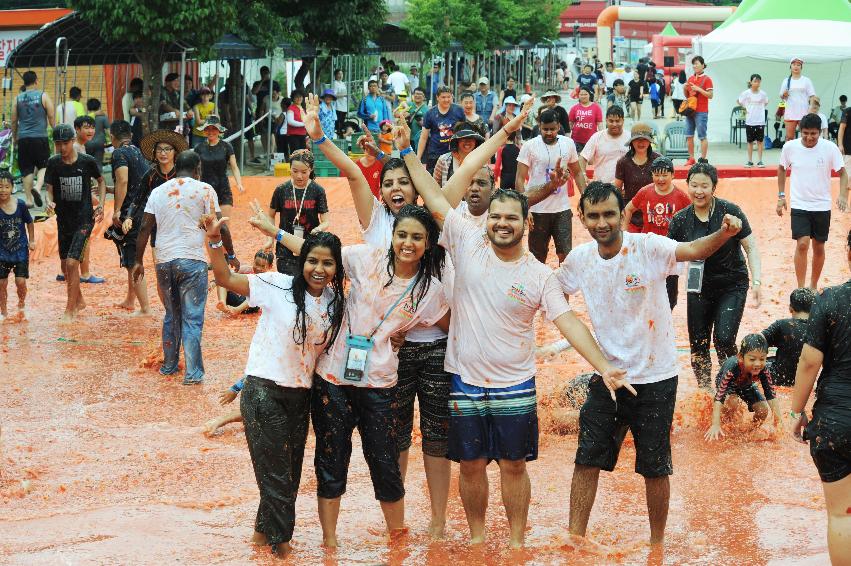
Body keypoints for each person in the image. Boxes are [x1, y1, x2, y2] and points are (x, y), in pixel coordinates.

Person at [401, 119, 631, 549]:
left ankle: (518, 541)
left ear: (526, 223)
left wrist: (604, 367)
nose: (503, 224)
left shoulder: (540, 276)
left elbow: (569, 323)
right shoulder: (466, 240)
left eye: (512, 218)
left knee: (512, 466)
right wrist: (408, 151)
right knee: (468, 466)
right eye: (497, 217)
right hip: (465, 381)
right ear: (487, 219)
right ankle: (476, 537)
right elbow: (433, 196)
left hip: (515, 385)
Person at [558, 181, 746, 545]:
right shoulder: (579, 260)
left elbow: (692, 250)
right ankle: (574, 539)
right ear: (581, 217)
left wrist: (723, 233)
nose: (602, 222)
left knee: (655, 467)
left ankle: (657, 545)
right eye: (593, 215)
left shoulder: (647, 247)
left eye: (609, 214)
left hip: (657, 376)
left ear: (622, 215)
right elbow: (551, 291)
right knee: (586, 458)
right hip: (608, 376)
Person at [204, 213, 345, 559]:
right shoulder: (275, 284)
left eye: (328, 263)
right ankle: (282, 551)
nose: (318, 268)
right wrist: (215, 240)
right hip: (263, 391)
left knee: (288, 477)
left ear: (336, 268)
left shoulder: (335, 303)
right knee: (278, 479)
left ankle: (258, 542)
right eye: (312, 260)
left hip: (301, 397)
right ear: (301, 260)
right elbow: (224, 277)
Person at [131, 150, 238, 384]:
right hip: (192, 261)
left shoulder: (158, 192)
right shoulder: (204, 189)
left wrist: (138, 261)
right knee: (192, 318)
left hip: (164, 261)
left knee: (171, 315)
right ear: (197, 168)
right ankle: (192, 373)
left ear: (175, 166)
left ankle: (169, 366)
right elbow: (222, 227)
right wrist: (231, 255)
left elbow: (144, 228)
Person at [668, 162, 762, 389]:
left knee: (724, 339)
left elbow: (751, 247)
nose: (698, 191)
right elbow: (669, 260)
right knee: (698, 344)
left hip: (732, 283)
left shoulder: (730, 212)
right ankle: (705, 390)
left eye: (704, 186)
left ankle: (733, 387)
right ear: (687, 185)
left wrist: (757, 280)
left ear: (714, 188)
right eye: (694, 185)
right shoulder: (680, 220)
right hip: (698, 285)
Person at [790, 228, 851, 565]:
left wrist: (796, 411)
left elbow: (810, 361)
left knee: (843, 515)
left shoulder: (830, 299)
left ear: (848, 254)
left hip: (834, 425)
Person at [777, 113, 848, 289]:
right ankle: (801, 289)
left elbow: (843, 173)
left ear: (820, 132)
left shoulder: (829, 148)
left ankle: (813, 286)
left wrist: (842, 195)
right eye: (806, 133)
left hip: (822, 205)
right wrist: (781, 196)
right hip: (799, 204)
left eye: (813, 134)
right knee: (802, 244)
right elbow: (781, 169)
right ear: (801, 131)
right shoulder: (789, 147)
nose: (809, 137)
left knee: (819, 247)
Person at [43, 124, 106, 322]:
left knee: (72, 263)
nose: (62, 148)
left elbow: (101, 181)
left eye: (65, 143)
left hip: (84, 220)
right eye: (58, 144)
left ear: (72, 142)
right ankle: (79, 300)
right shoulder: (53, 163)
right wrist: (48, 201)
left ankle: (70, 310)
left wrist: (101, 204)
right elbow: (49, 188)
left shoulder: (87, 162)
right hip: (63, 220)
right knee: (65, 267)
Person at [516, 108, 587, 264]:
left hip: (561, 209)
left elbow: (578, 173)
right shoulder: (530, 146)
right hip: (537, 209)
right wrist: (524, 207)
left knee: (566, 255)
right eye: (545, 129)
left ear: (559, 126)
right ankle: (538, 287)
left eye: (552, 129)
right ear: (539, 126)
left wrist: (586, 198)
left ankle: (563, 288)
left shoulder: (568, 144)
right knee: (537, 257)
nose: (549, 133)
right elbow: (520, 179)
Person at [623, 157, 690, 309]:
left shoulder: (681, 196)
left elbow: (692, 217)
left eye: (665, 175)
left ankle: (665, 317)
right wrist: (624, 233)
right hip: (647, 248)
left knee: (670, 292)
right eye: (656, 175)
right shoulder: (645, 192)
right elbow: (628, 209)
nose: (660, 179)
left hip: (670, 249)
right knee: (641, 284)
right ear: (651, 175)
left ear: (673, 175)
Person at [108, 120, 152, 316]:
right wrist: (112, 189)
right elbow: (133, 181)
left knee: (133, 258)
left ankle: (145, 308)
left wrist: (117, 210)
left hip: (131, 213)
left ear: (112, 137)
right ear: (130, 135)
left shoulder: (119, 153)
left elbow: (123, 180)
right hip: (145, 209)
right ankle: (130, 299)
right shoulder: (138, 151)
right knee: (131, 256)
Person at [705, 334, 782, 441]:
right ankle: (725, 427)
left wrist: (779, 423)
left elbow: (771, 396)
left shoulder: (764, 370)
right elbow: (719, 397)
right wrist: (715, 424)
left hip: (746, 384)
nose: (757, 364)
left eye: (762, 359)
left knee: (763, 410)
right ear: (741, 357)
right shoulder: (732, 368)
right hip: (729, 386)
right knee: (733, 403)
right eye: (752, 359)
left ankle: (748, 432)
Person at [266, 149, 329, 275]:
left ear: (311, 170)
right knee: (287, 285)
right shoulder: (281, 190)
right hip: (284, 247)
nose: (299, 176)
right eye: (295, 171)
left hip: (310, 247)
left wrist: (318, 229)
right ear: (290, 169)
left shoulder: (317, 190)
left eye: (304, 172)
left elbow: (326, 221)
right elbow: (270, 215)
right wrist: (270, 239)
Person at [135, 129, 187, 264]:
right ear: (154, 152)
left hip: (180, 225)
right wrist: (129, 217)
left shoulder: (182, 174)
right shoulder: (150, 175)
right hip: (157, 226)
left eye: (167, 149)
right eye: (159, 150)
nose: (163, 153)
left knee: (180, 267)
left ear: (175, 152)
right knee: (161, 269)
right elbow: (137, 199)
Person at [11, 71, 55, 208]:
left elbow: (13, 120)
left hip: (24, 138)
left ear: (24, 82)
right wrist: (56, 131)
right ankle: (37, 186)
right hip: (40, 137)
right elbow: (51, 116)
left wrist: (15, 137)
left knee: (27, 169)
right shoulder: (43, 96)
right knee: (44, 165)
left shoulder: (17, 98)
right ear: (36, 81)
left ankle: (29, 200)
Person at [193, 115, 245, 223]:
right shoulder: (199, 148)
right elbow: (196, 170)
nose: (211, 132)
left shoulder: (227, 146)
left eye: (214, 129)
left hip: (223, 189)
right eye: (208, 129)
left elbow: (234, 167)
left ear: (219, 131)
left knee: (224, 225)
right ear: (204, 130)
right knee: (209, 227)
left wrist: (239, 183)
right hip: (205, 190)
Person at [761, 287, 815, 387]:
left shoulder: (782, 325)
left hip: (778, 379)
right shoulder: (820, 329)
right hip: (805, 382)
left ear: (790, 308)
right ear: (813, 309)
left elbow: (758, 341)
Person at [0, 170, 35, 321]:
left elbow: (30, 222)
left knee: (20, 281)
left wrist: (32, 240)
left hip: (20, 249)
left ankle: (21, 305)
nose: (3, 190)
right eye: (0, 187)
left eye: (6, 187)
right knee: (1, 283)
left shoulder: (20, 205)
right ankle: (3, 311)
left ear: (12, 187)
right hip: (2, 251)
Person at [614, 123, 661, 232]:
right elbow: (617, 191)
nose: (641, 143)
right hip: (630, 216)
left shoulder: (658, 160)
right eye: (637, 139)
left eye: (644, 139)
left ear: (650, 141)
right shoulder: (623, 162)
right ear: (631, 142)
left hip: (655, 215)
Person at [417, 86, 465, 173]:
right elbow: (424, 137)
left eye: (449, 97)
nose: (446, 100)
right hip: (435, 154)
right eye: (443, 97)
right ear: (437, 98)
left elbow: (464, 132)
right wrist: (418, 157)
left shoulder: (459, 111)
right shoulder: (430, 113)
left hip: (453, 153)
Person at [213, 249, 273, 316]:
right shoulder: (246, 269)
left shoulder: (269, 279)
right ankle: (223, 303)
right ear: (253, 261)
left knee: (259, 291)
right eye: (257, 264)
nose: (258, 268)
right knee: (223, 282)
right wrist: (215, 282)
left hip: (250, 306)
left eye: (262, 266)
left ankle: (237, 309)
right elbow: (226, 276)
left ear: (270, 266)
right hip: (235, 300)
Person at [579, 106, 628, 184]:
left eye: (618, 121)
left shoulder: (630, 137)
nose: (614, 124)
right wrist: (584, 175)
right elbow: (582, 158)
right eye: (611, 121)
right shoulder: (597, 137)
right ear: (606, 121)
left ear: (623, 120)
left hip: (625, 187)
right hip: (602, 186)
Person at [684, 56, 713, 165]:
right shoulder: (691, 78)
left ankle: (702, 159)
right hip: (690, 110)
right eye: (693, 64)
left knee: (702, 136)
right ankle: (691, 158)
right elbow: (687, 95)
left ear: (702, 65)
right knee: (689, 135)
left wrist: (699, 89)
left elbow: (710, 95)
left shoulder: (707, 79)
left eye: (696, 63)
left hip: (701, 111)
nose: (695, 66)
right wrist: (684, 88)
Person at [780, 57, 816, 143]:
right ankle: (788, 155)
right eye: (794, 64)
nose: (796, 67)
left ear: (801, 67)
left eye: (798, 65)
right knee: (789, 137)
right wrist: (784, 95)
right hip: (790, 112)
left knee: (806, 136)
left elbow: (812, 96)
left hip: (804, 113)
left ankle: (805, 154)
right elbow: (781, 96)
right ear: (790, 66)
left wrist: (811, 108)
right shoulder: (786, 81)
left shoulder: (806, 80)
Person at [738, 74, 769, 168]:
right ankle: (750, 161)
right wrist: (746, 108)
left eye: (759, 81)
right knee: (750, 141)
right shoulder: (746, 93)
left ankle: (760, 161)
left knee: (760, 141)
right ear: (751, 82)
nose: (757, 83)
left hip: (760, 121)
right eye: (755, 81)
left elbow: (766, 102)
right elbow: (739, 101)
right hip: (750, 120)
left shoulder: (763, 94)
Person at [568, 88, 603, 153]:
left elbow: (600, 124)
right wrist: (567, 139)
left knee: (590, 160)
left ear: (589, 95)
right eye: (581, 94)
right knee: (577, 160)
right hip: (576, 140)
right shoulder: (574, 108)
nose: (583, 96)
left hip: (592, 140)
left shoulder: (596, 107)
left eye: (585, 94)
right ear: (578, 95)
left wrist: (602, 137)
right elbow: (570, 124)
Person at [85, 98, 110, 171]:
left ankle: (89, 180)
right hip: (100, 143)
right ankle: (99, 181)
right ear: (99, 107)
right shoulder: (103, 117)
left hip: (87, 143)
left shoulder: (85, 117)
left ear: (88, 107)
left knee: (88, 162)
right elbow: (108, 130)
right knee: (98, 163)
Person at [405, 87, 429, 153]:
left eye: (420, 94)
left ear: (424, 97)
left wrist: (421, 122)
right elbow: (397, 114)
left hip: (420, 139)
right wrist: (407, 115)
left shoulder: (427, 109)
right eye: (416, 94)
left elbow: (428, 125)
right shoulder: (408, 105)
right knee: (406, 159)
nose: (417, 96)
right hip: (407, 138)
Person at [332, 69, 348, 134]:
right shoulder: (335, 83)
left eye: (341, 74)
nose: (340, 75)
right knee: (338, 122)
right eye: (339, 74)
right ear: (335, 75)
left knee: (342, 122)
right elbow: (334, 95)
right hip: (338, 106)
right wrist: (343, 95)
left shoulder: (343, 83)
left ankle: (341, 134)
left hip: (344, 105)